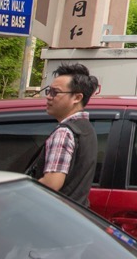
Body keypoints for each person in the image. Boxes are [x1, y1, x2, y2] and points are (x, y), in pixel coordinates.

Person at [33, 62, 99, 208]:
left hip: (55, 213)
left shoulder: (64, 132)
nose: (48, 97)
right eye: (48, 91)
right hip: (76, 213)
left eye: (55, 92)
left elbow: (51, 183)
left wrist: (19, 193)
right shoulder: (87, 128)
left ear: (77, 97)